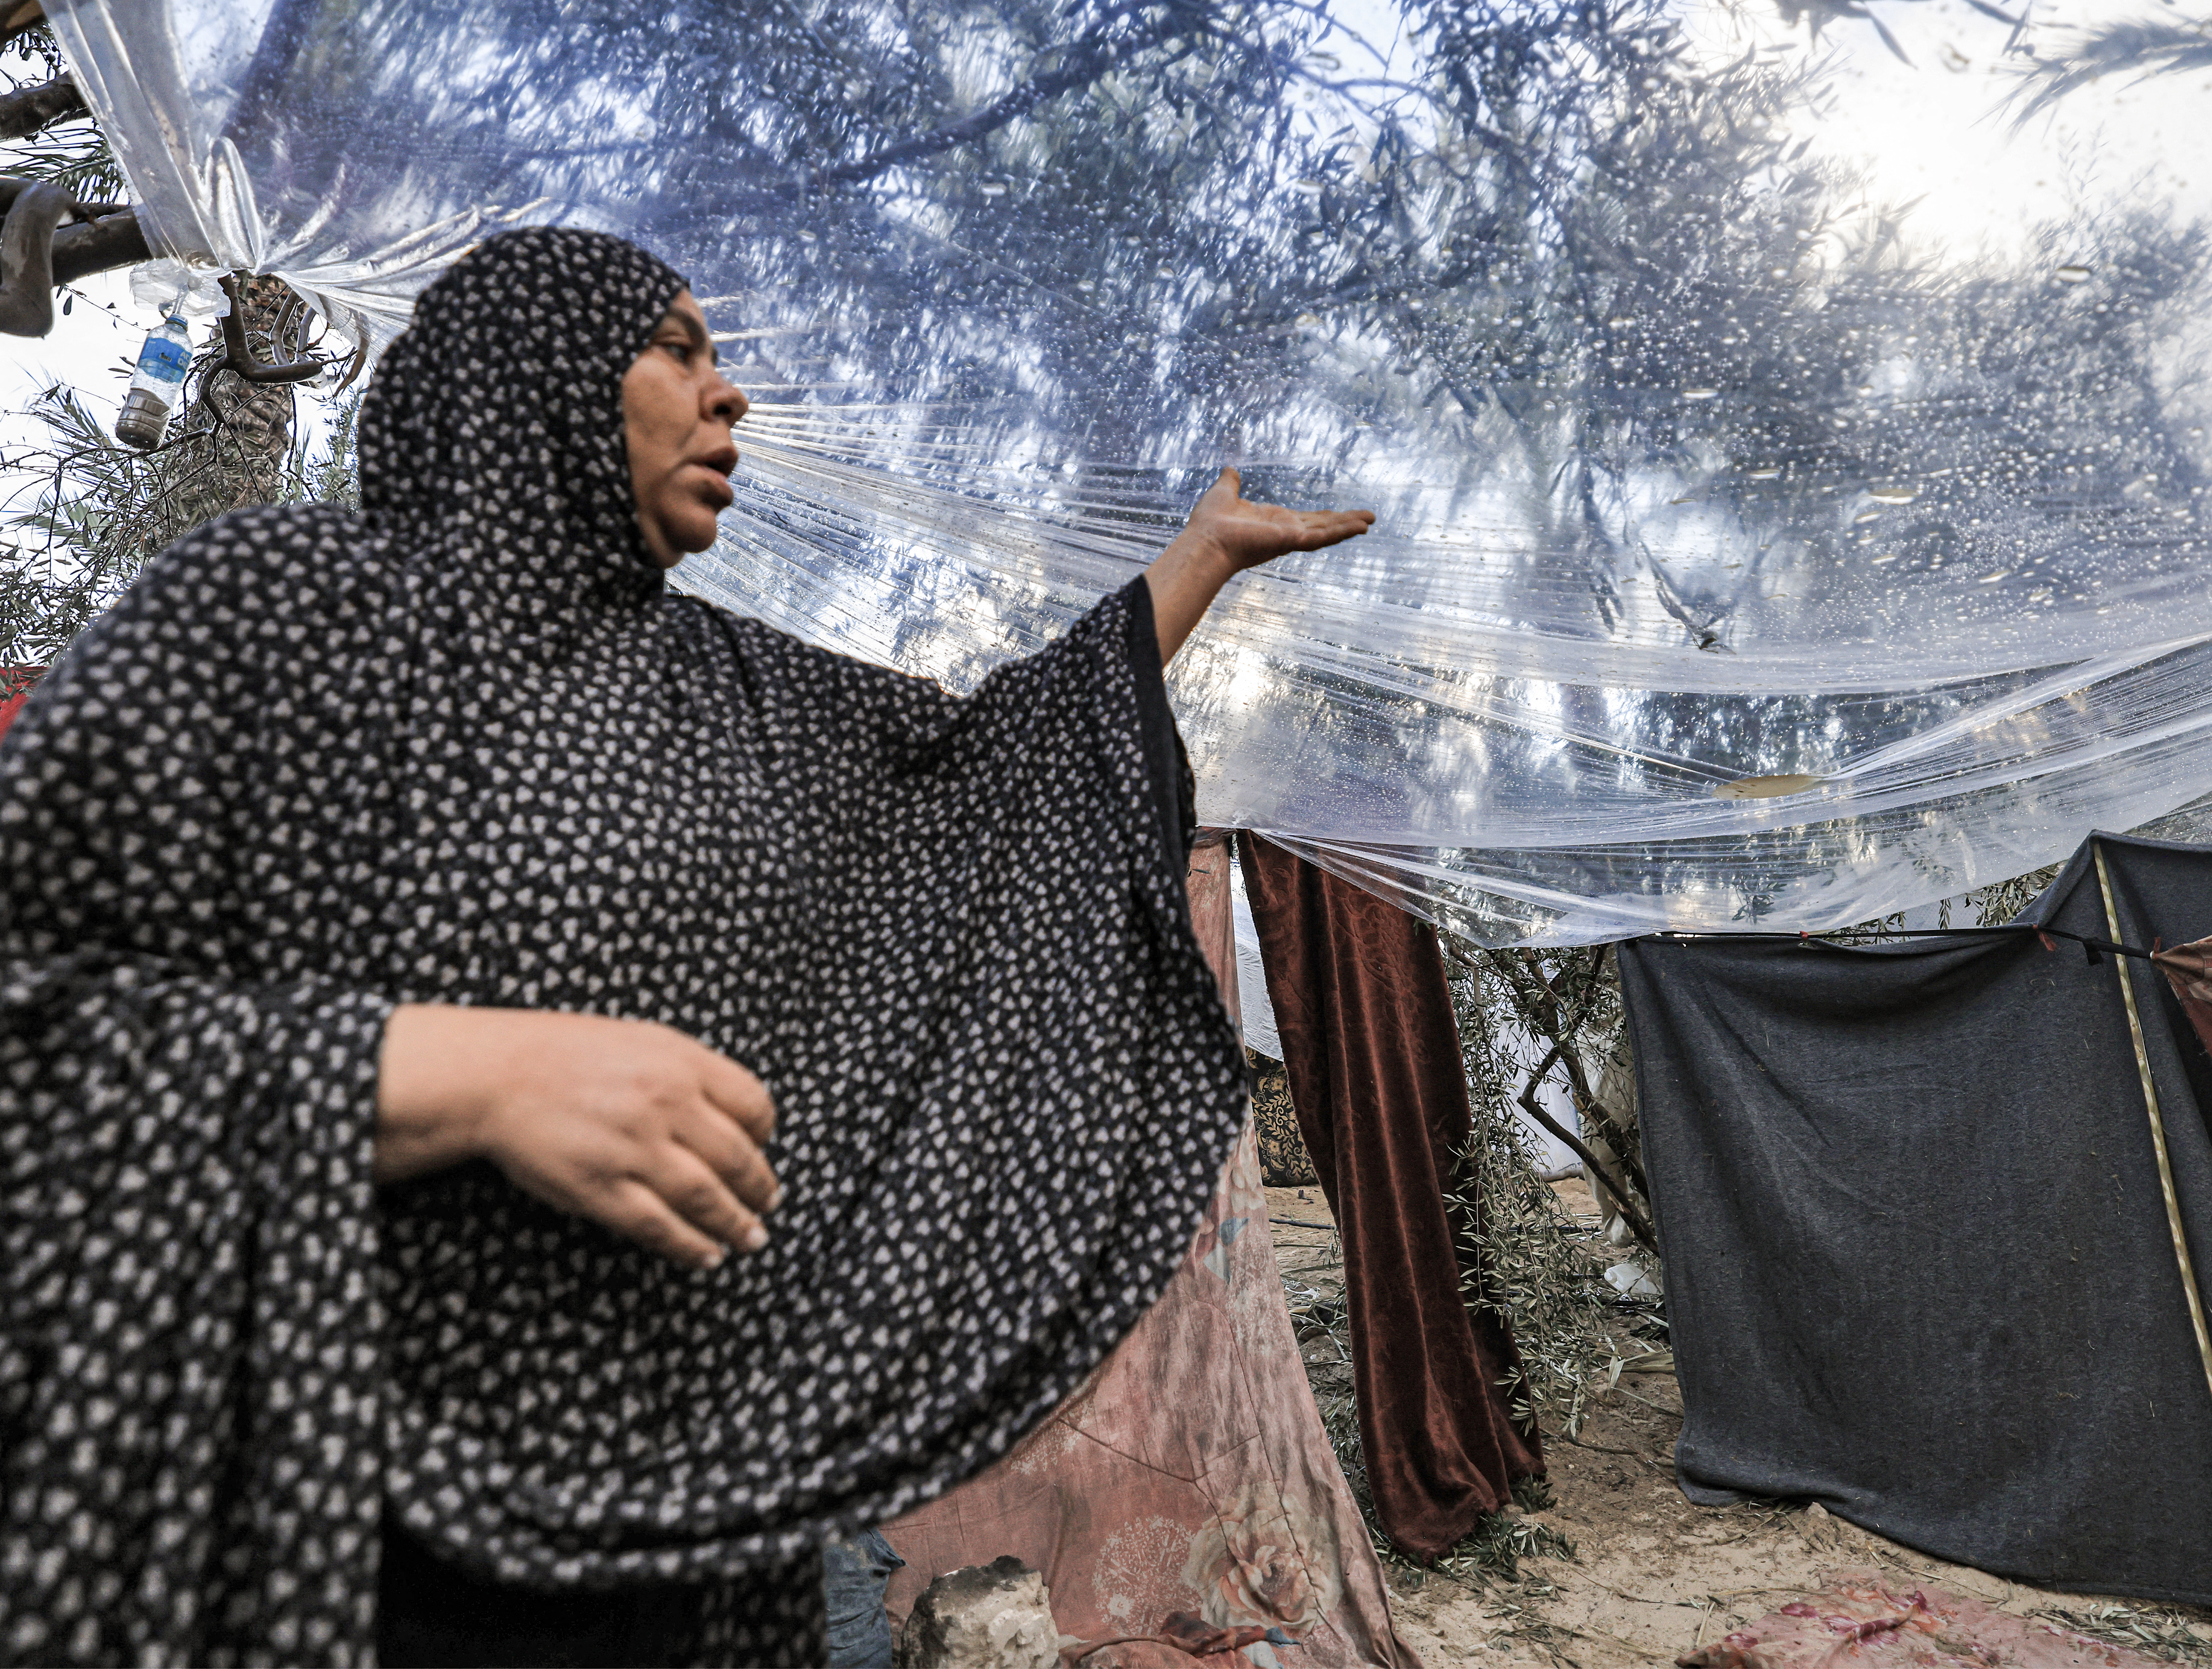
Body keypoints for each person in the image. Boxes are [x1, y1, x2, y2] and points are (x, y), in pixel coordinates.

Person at [0, 227, 1372, 1667]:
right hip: (332, 1531)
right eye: (678, 350)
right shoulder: (275, 616)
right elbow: (41, 1020)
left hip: (706, 1544)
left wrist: (1199, 560)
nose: (730, 398)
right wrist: (443, 1074)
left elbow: (991, 767)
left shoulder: (741, 692)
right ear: (542, 369)